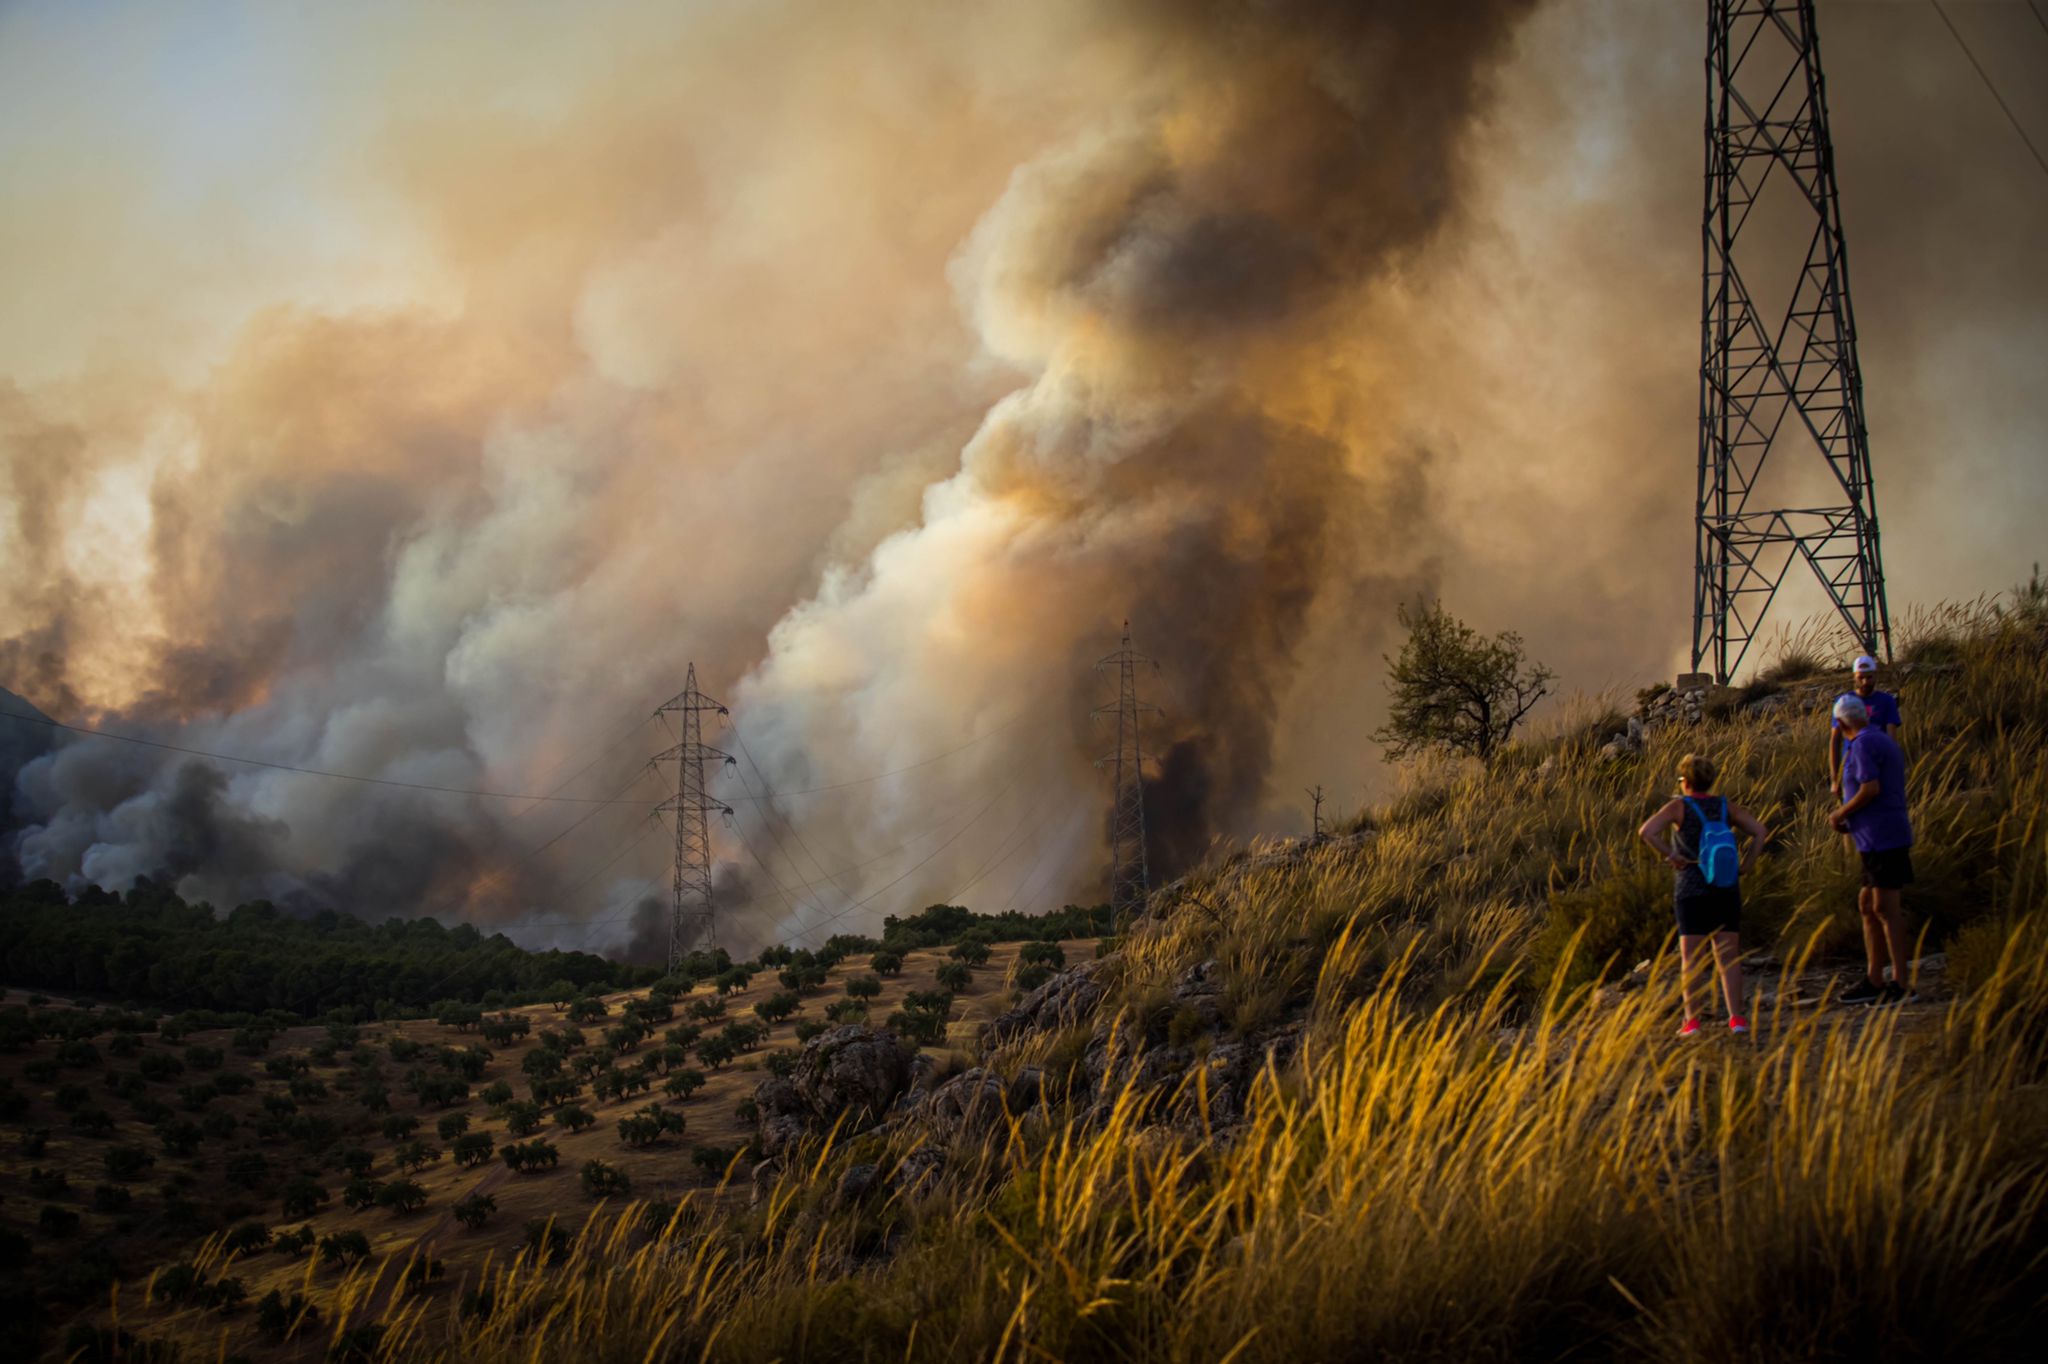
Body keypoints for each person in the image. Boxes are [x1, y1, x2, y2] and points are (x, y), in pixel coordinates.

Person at [1638, 753, 1771, 1037]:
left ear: (1685, 782)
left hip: (1691, 888)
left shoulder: (1678, 808)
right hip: (1725, 888)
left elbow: (1647, 831)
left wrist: (1671, 854)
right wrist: (1747, 864)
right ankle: (1737, 1019)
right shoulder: (1725, 807)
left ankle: (1692, 1021)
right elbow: (1760, 831)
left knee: (1692, 959)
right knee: (1728, 956)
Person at [1829, 694, 1916, 1005]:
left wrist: (1842, 813)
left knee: (1884, 908)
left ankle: (1901, 984)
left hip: (1883, 838)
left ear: (1840, 723)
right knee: (1867, 904)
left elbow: (1870, 788)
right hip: (1874, 838)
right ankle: (1874, 978)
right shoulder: (1876, 738)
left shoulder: (1864, 744)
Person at [1828, 654, 1901, 796]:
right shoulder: (1844, 702)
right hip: (1852, 766)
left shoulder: (1886, 701)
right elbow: (1835, 740)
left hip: (1879, 764)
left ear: (1875, 676)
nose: (1865, 682)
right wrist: (1834, 778)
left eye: (1869, 677)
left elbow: (1891, 739)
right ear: (1854, 677)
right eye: (1861, 677)